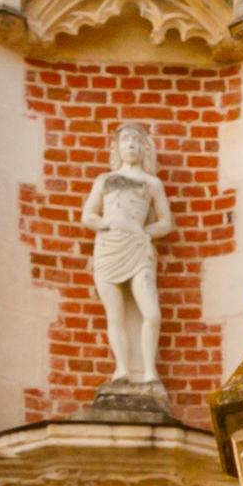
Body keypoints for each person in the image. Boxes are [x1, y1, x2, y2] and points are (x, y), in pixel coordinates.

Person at [87, 125, 176, 395]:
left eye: (137, 141)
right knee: (115, 314)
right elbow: (87, 215)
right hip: (109, 247)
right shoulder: (105, 180)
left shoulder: (152, 183)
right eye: (126, 140)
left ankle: (149, 371)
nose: (131, 146)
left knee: (151, 313)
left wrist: (145, 233)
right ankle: (123, 368)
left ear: (144, 149)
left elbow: (166, 222)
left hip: (137, 248)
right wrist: (106, 224)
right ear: (117, 148)